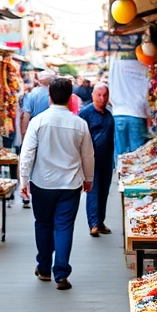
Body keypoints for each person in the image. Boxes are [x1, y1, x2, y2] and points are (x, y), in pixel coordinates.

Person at [19, 77, 94, 290]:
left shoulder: (38, 121)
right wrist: (89, 179)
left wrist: (24, 181)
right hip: (70, 185)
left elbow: (27, 154)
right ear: (71, 97)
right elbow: (88, 155)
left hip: (42, 183)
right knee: (64, 226)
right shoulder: (79, 124)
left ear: (49, 96)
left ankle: (43, 268)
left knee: (42, 224)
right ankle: (61, 273)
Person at [78, 83, 115, 236]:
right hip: (91, 159)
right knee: (93, 191)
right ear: (93, 95)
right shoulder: (85, 114)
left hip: (106, 159)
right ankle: (93, 223)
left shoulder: (108, 114)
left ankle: (100, 221)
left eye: (105, 95)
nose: (102, 98)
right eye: (99, 95)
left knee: (104, 191)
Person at [18, 70, 54, 207]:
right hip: (49, 132)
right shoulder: (54, 94)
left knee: (27, 160)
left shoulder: (32, 95)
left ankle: (25, 193)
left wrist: (23, 132)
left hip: (33, 131)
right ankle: (45, 190)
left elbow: (26, 115)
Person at [108, 58, 151, 157]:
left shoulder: (116, 63)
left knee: (120, 153)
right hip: (137, 114)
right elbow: (147, 93)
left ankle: (121, 172)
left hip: (119, 113)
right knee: (137, 154)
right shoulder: (144, 66)